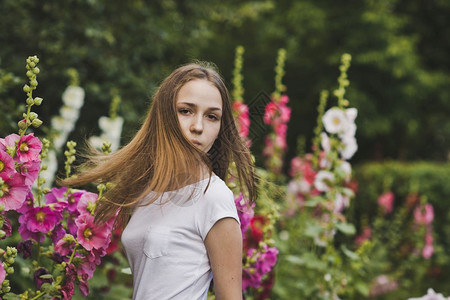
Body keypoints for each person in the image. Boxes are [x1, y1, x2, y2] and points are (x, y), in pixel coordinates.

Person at [62, 62, 257, 299]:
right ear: (164, 116)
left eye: (212, 116)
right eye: (186, 111)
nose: (197, 126)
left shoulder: (214, 197)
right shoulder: (145, 192)